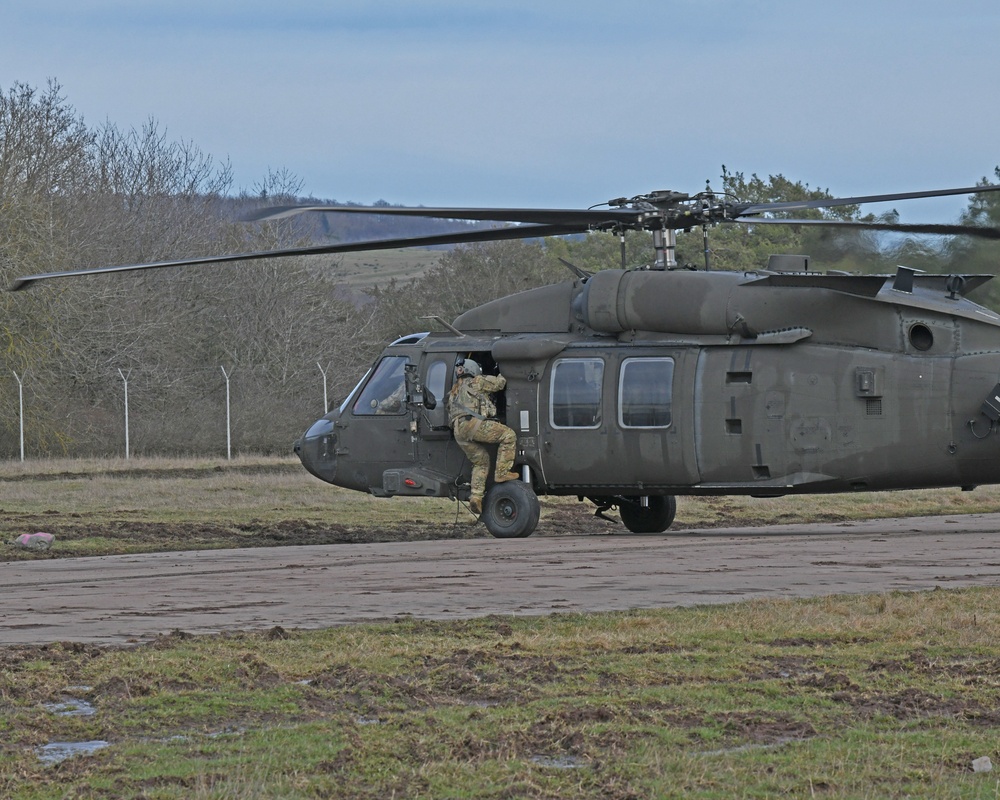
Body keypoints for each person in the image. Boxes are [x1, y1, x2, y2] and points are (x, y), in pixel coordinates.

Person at [447, 358, 518, 515]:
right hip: (472, 425)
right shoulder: (477, 381)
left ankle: (476, 498)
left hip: (459, 432)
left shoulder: (454, 390)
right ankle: (502, 472)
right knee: (508, 435)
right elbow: (500, 383)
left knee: (481, 461)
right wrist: (506, 369)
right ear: (473, 370)